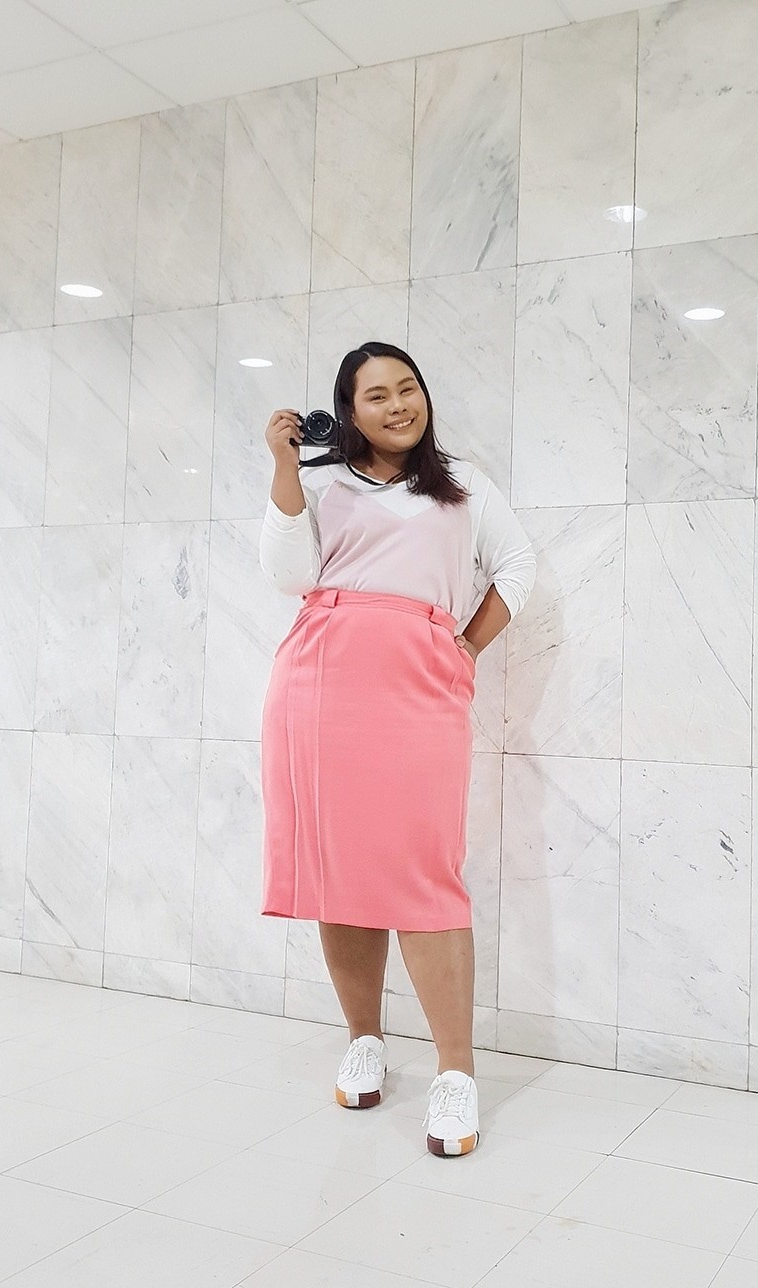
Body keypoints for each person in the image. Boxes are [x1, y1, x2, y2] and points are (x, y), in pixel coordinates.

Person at [258, 341, 536, 1158]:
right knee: (340, 869)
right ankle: (365, 1040)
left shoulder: (465, 484)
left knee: (424, 874)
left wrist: (466, 647)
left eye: (406, 387)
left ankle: (455, 1074)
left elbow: (516, 565)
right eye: (375, 395)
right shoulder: (322, 483)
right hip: (320, 685)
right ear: (350, 410)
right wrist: (284, 468)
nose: (397, 405)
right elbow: (288, 575)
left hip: (420, 687)